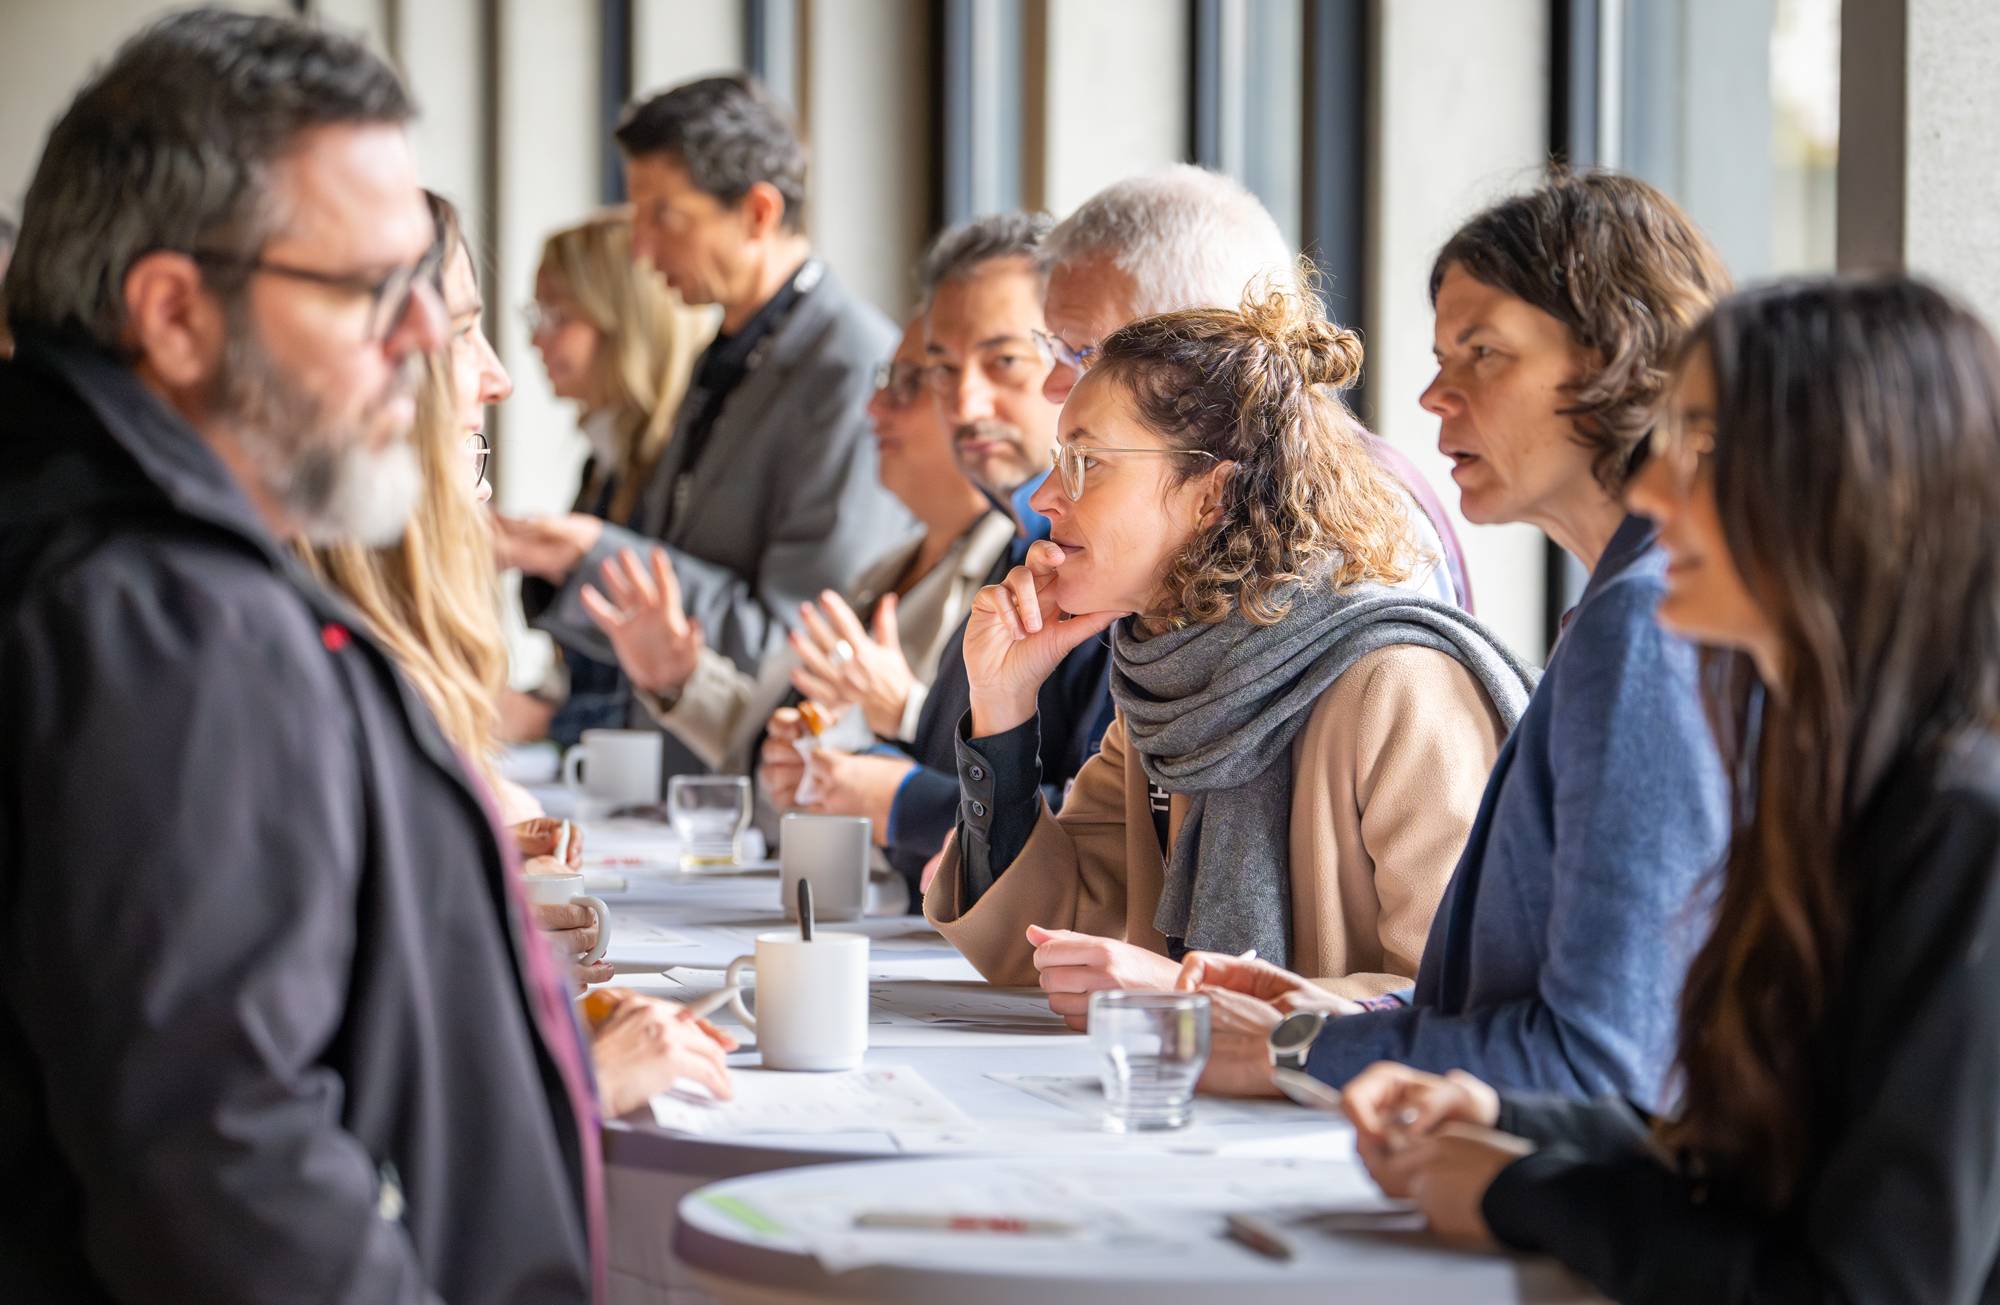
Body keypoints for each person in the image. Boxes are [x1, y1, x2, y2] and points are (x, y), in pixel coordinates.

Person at [0, 10, 596, 1300]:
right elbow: (222, 1154)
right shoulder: (165, 611)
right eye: (375, 292)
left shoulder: (85, 533)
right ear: (172, 311)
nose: (423, 344)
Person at [1339, 275, 2000, 1305]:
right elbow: (1775, 1164)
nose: (1647, 494)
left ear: (1846, 486)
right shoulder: (1835, 785)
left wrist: (1525, 1193)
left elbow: (1871, 1284)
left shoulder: (1964, 829)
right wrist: (1512, 1120)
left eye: (1700, 450)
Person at [1184, 169, 1731, 1109]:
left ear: (1621, 356)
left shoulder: (1646, 624)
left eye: (1483, 352)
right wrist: (1355, 1016)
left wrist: (1301, 1049)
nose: (1436, 395)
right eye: (1442, 355)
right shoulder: (1627, 607)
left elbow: (1599, 1065)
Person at [924, 280, 1533, 1017]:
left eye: (1086, 463)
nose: (1045, 496)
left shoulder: (1399, 686)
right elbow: (1035, 943)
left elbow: (1461, 1001)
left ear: (1210, 495)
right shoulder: (1174, 683)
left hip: (1354, 1129)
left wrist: (1194, 997)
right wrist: (1003, 706)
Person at [495, 73, 912, 779]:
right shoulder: (726, 355)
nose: (641, 251)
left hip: (769, 799)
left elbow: (801, 640)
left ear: (756, 212)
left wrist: (590, 552)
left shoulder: (847, 374)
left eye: (664, 216)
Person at [756, 213, 1119, 899]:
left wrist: (901, 798)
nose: (964, 402)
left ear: (1075, 357)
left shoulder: (1118, 568)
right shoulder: (1016, 545)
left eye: (1004, 361)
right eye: (942, 371)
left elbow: (1103, 830)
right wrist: (853, 766)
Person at [582, 311, 1012, 778]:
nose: (874, 407)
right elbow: (775, 751)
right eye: (886, 380)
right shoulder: (887, 568)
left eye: (908, 383)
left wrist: (907, 714)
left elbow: (998, 797)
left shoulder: (1011, 576)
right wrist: (679, 680)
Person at [1037, 164, 1473, 609]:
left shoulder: (1369, 540)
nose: (1053, 386)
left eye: (1088, 353)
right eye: (1052, 349)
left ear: (1199, 342)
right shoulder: (1167, 573)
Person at [507, 209, 715, 745]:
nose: (536, 340)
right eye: (536, 314)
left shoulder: (680, 470)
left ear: (623, 320)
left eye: (556, 315)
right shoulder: (604, 464)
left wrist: (548, 722)